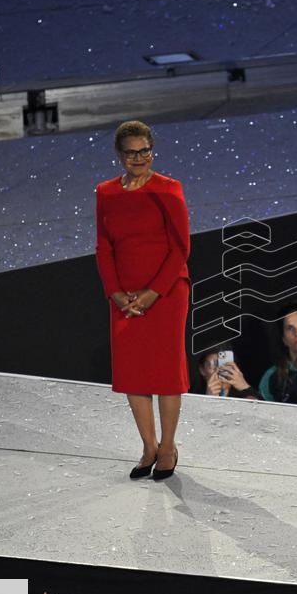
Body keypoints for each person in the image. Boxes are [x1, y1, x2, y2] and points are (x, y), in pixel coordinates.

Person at [95, 120, 190, 481]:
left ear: (152, 150)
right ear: (119, 155)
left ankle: (168, 448)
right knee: (133, 373)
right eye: (131, 153)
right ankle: (149, 447)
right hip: (124, 296)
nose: (138, 158)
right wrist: (116, 293)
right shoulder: (105, 192)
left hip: (165, 292)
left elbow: (181, 247)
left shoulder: (168, 189)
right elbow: (103, 246)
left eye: (144, 151)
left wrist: (152, 294)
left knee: (166, 374)